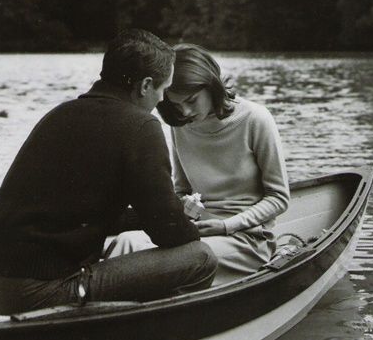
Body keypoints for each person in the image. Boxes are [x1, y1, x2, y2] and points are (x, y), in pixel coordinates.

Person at [0, 30, 217, 315]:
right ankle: (149, 339)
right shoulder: (141, 126)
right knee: (200, 258)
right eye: (163, 91)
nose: (161, 101)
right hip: (36, 295)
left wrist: (167, 212)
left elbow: (83, 216)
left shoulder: (60, 114)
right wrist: (188, 224)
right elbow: (169, 233)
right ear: (145, 86)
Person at [111, 43, 290, 286]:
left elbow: (279, 197)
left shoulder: (256, 119)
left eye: (192, 100)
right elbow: (181, 190)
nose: (184, 111)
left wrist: (226, 225)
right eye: (175, 104)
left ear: (211, 85)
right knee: (125, 242)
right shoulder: (180, 127)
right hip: (196, 233)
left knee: (161, 264)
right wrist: (183, 207)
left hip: (246, 239)